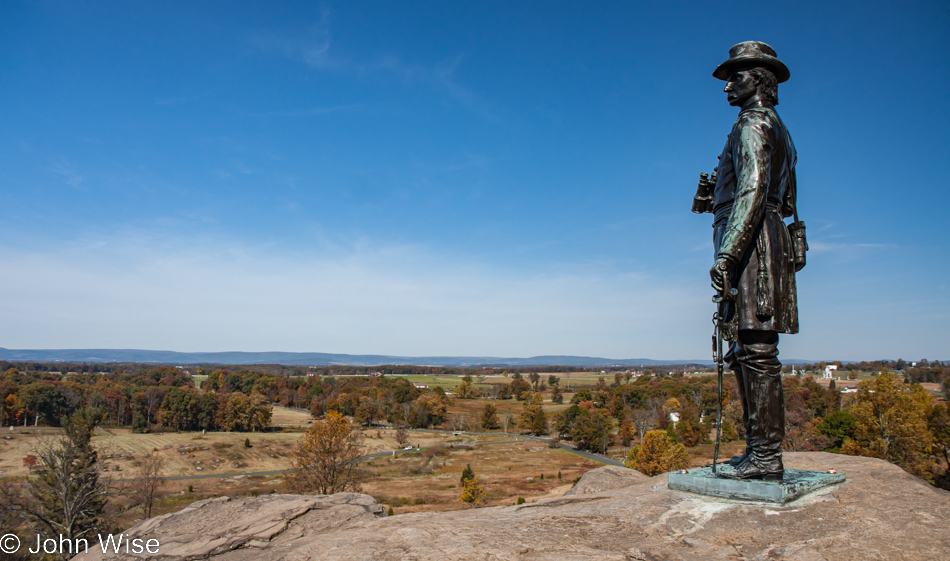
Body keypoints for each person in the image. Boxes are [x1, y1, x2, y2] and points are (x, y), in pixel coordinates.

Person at [707, 41, 800, 481]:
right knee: (750, 350)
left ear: (759, 79)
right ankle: (758, 452)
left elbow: (753, 190)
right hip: (766, 237)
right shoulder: (780, 128)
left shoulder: (752, 124)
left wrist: (728, 252)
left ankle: (764, 456)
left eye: (736, 75)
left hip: (753, 245)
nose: (728, 83)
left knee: (756, 351)